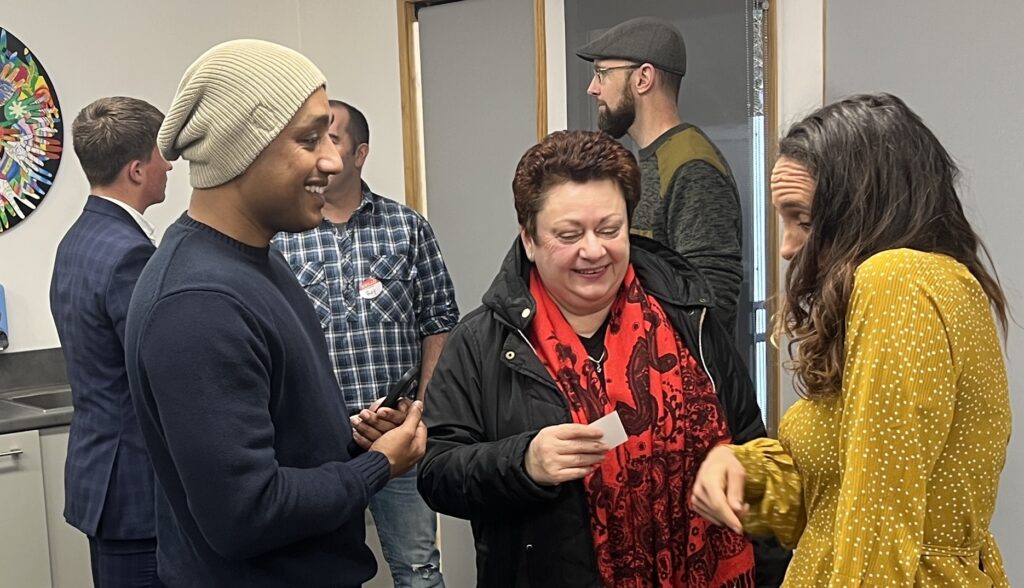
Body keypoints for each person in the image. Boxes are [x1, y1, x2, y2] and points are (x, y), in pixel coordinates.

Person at [124, 39, 426, 587]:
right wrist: (378, 465)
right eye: (309, 139)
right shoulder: (198, 304)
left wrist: (352, 439)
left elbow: (279, 432)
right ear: (245, 148)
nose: (333, 161)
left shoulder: (260, 259)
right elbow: (245, 514)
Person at [417, 130, 771, 588]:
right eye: (569, 234)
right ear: (529, 239)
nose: (593, 250)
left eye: (610, 229)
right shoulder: (482, 341)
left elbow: (751, 445)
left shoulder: (689, 316)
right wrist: (524, 462)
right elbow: (438, 471)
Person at [692, 93, 1012, 586]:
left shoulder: (896, 282)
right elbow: (835, 501)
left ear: (863, 208)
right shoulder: (937, 283)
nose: (787, 247)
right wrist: (744, 473)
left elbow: (881, 524)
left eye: (803, 218)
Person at [272, 99, 457, 588]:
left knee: (419, 569)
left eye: (330, 139)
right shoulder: (284, 237)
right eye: (310, 140)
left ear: (360, 154)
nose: (318, 153)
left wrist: (421, 411)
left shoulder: (407, 228)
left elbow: (438, 321)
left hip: (396, 433)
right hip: (319, 446)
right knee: (324, 573)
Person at [49, 96, 171, 588]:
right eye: (163, 156)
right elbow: (157, 374)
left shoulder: (78, 239)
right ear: (138, 170)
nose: (170, 166)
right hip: (136, 490)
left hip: (102, 478)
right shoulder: (130, 255)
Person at [577, 16, 743, 337]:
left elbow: (712, 307)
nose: (593, 88)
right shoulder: (649, 161)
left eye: (602, 73)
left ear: (643, 78)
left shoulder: (692, 167)